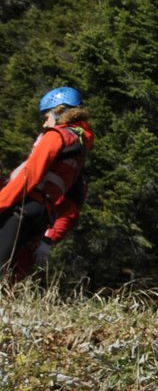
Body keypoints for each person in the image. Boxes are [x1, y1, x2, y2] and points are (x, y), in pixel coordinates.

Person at [0, 87, 92, 281]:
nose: (44, 123)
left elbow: (29, 176)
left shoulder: (56, 136)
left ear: (59, 111)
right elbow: (72, 206)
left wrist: (1, 203)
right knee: (10, 274)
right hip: (40, 216)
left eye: (46, 116)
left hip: (21, 208)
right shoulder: (78, 149)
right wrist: (49, 240)